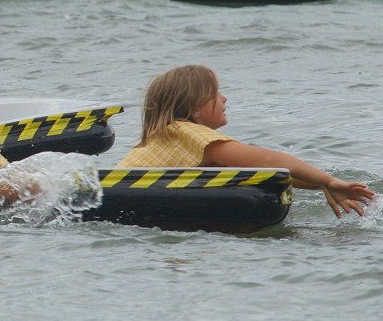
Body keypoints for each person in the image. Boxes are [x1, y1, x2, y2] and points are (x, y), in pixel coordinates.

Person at [117, 64, 375, 218]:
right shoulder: (191, 134)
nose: (224, 98)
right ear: (195, 109)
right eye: (215, 93)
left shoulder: (168, 135)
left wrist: (320, 185)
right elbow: (271, 159)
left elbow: (267, 173)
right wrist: (330, 180)